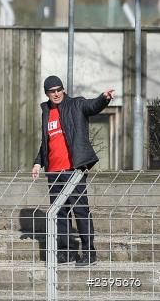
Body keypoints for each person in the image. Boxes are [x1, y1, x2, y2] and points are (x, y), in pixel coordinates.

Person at [31, 75, 114, 267]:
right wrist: (38, 163)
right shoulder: (46, 112)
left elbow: (92, 106)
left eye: (59, 89)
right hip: (53, 172)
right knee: (60, 212)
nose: (57, 93)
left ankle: (89, 252)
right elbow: (47, 142)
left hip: (73, 170)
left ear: (63, 90)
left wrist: (104, 98)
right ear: (47, 94)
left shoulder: (76, 105)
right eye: (52, 91)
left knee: (80, 211)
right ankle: (66, 252)